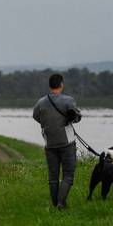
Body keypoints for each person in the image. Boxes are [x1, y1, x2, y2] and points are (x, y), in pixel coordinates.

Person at [33, 73, 82, 210]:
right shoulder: (68, 100)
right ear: (61, 85)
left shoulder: (40, 102)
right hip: (67, 143)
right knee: (68, 174)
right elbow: (77, 118)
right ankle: (61, 203)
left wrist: (48, 124)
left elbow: (36, 116)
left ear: (50, 85)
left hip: (50, 143)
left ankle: (55, 203)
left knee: (53, 176)